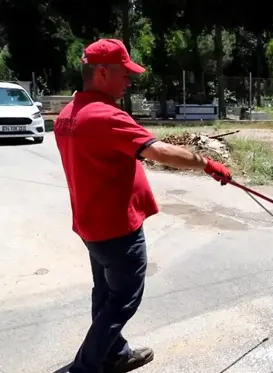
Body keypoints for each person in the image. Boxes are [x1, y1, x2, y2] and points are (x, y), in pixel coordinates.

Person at [53, 38, 231, 373]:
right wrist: (207, 164)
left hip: (90, 224)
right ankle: (85, 367)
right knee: (122, 300)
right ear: (102, 73)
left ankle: (114, 354)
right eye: (125, 74)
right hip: (117, 227)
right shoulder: (105, 116)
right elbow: (160, 152)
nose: (130, 81)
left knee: (105, 293)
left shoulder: (67, 115)